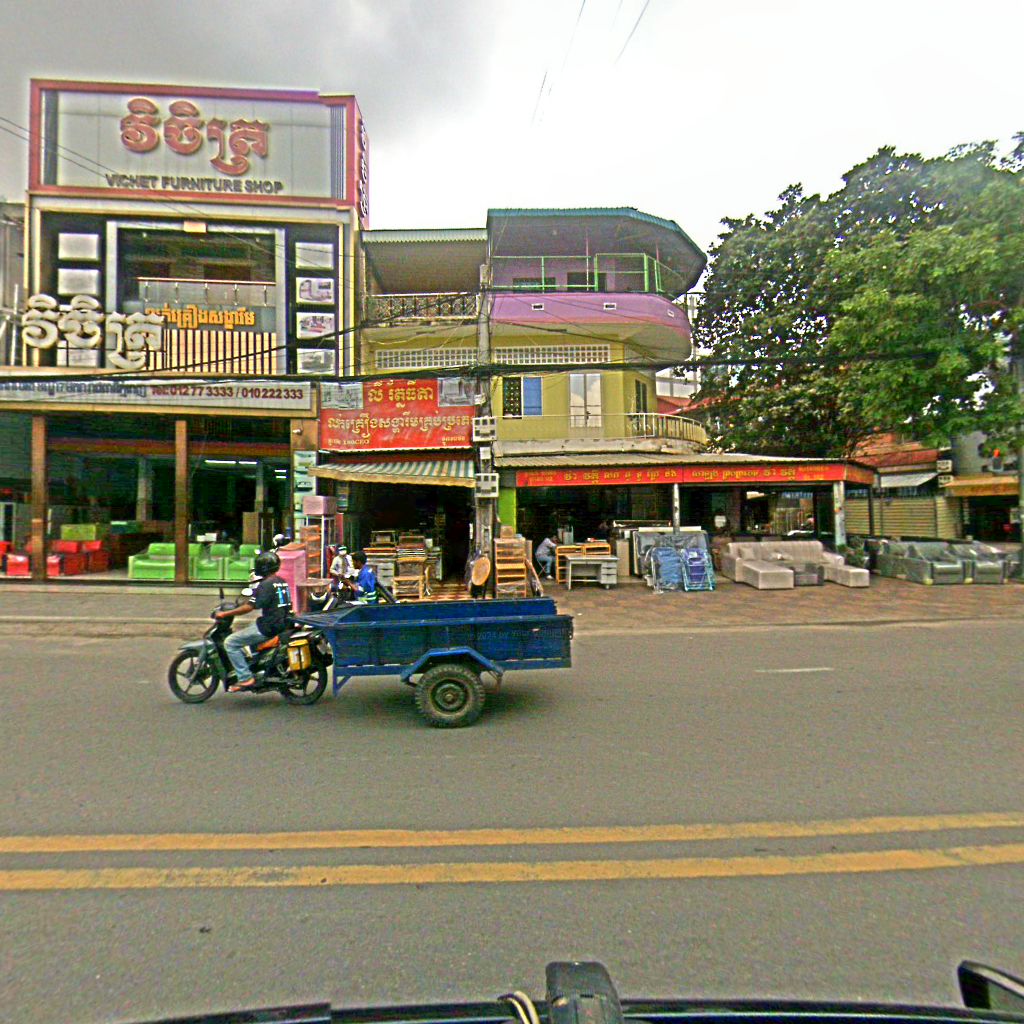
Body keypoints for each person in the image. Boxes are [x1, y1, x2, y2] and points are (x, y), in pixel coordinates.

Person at [216, 550, 293, 692]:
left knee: (230, 642)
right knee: (250, 630)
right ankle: (257, 666)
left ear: (263, 567)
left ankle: (245, 678)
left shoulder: (266, 584)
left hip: (268, 626)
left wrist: (226, 613)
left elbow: (250, 607)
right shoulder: (281, 582)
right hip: (282, 624)